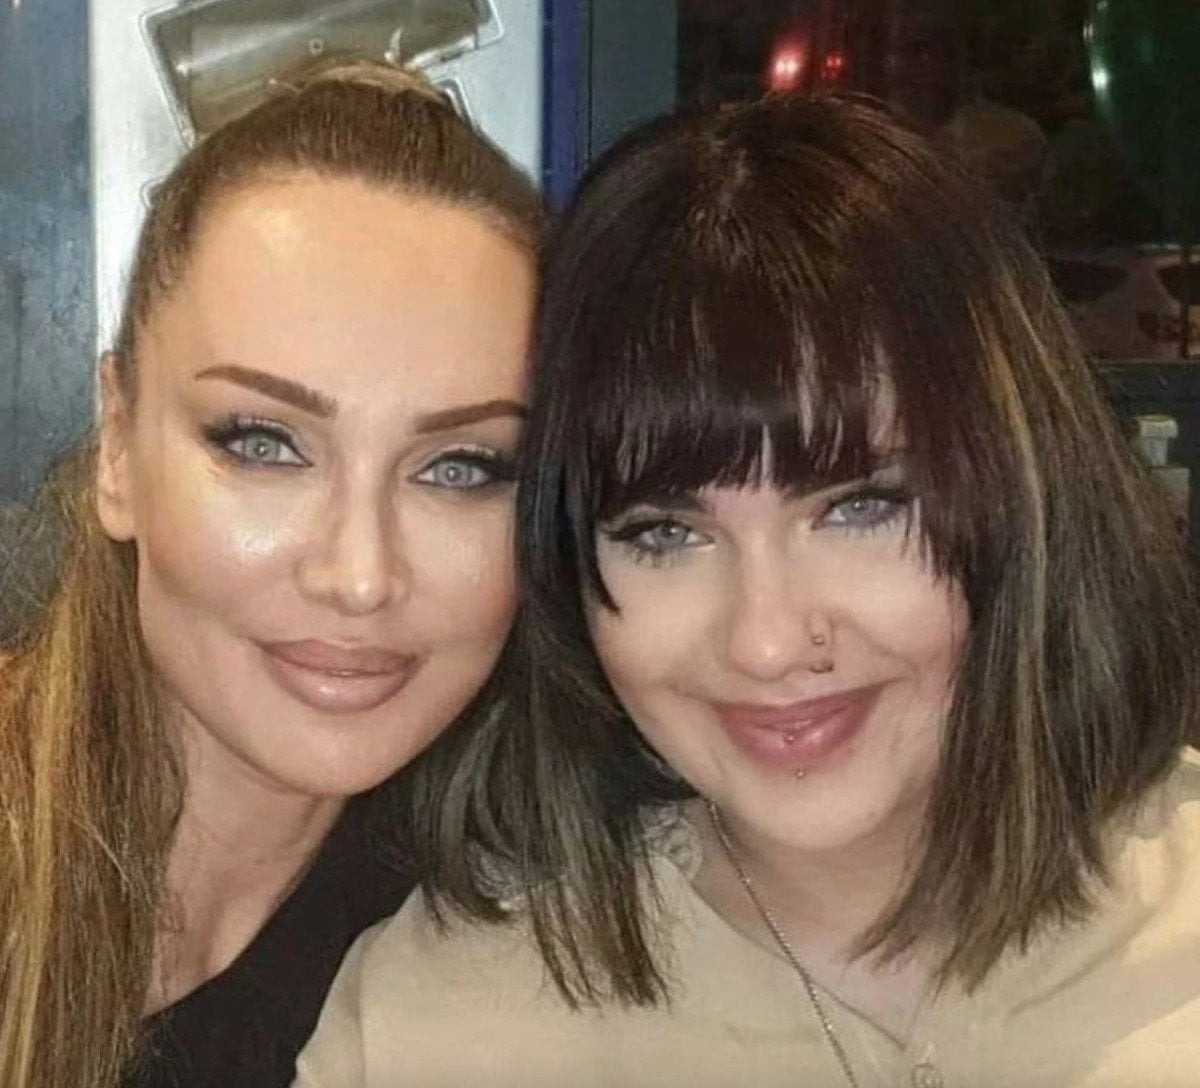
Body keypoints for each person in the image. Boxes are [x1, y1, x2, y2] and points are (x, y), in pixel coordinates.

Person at [296, 92, 1200, 1087]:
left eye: (858, 508)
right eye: (664, 533)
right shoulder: (439, 1026)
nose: (765, 641)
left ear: (1026, 488)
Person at [0, 59, 541, 1088]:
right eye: (263, 443)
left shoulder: (517, 916)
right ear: (117, 449)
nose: (359, 575)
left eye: (460, 467)